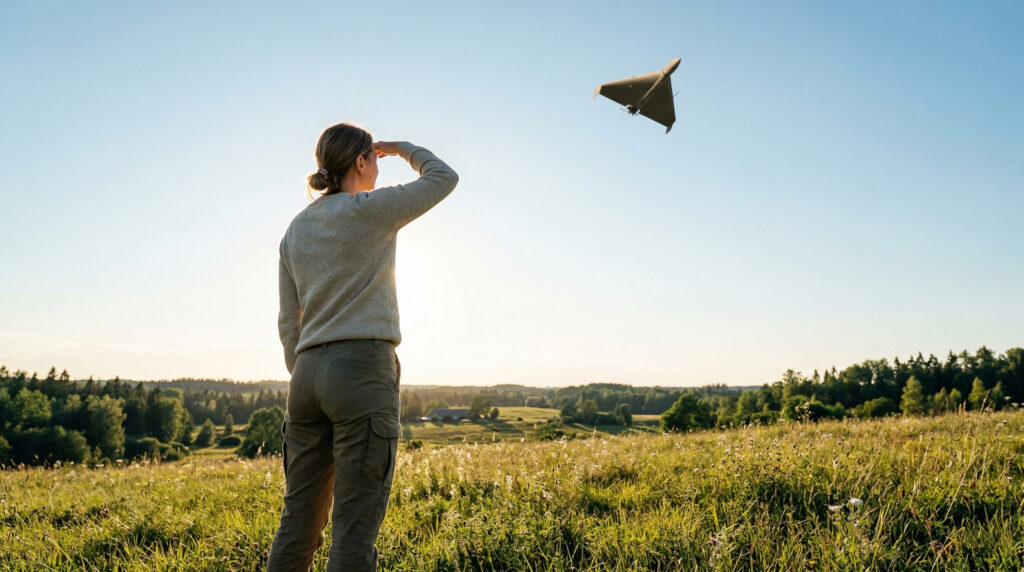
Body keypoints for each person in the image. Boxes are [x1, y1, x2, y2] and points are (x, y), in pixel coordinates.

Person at [267, 122, 459, 571]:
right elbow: (443, 177)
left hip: (306, 376)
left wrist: (306, 368)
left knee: (297, 524)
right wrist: (402, 147)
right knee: (354, 529)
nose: (378, 166)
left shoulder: (295, 230)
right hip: (361, 369)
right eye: (374, 157)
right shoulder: (370, 210)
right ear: (360, 161)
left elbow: (288, 320)